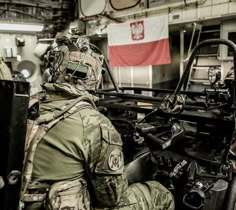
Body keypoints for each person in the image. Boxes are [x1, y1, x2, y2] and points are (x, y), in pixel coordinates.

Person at [20, 35, 174, 210]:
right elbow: (111, 198)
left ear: (55, 69)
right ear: (94, 77)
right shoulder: (95, 124)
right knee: (160, 193)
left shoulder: (25, 106)